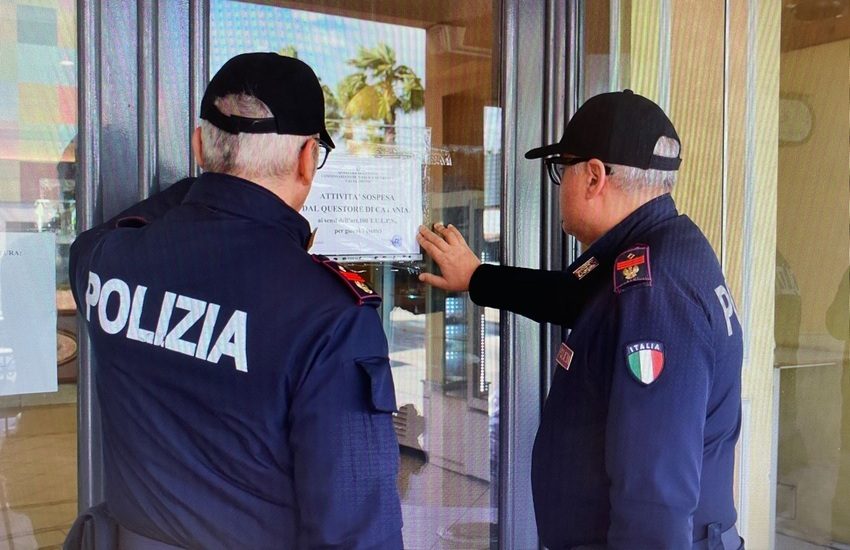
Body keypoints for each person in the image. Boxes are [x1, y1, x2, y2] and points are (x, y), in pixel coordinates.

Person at [68, 52, 403, 549]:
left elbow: (90, 241)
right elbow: (356, 533)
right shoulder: (330, 318)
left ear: (199, 145)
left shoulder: (109, 263)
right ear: (307, 158)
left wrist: (208, 187)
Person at [417, 90, 744, 549]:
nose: (558, 187)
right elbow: (571, 296)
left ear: (593, 177)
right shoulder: (656, 248)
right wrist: (477, 277)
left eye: (560, 169)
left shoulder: (654, 292)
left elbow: (654, 498)